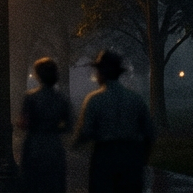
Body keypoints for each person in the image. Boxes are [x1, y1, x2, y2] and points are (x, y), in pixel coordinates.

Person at [74, 49, 155, 193]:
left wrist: (75, 143)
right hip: (130, 157)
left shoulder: (94, 100)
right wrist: (142, 159)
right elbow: (150, 134)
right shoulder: (135, 99)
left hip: (105, 157)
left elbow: (85, 132)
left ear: (101, 73)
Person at [19, 57, 73, 192]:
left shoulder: (31, 97)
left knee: (32, 182)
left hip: (34, 144)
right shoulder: (61, 99)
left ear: (38, 75)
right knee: (54, 183)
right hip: (54, 145)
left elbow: (24, 123)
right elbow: (69, 125)